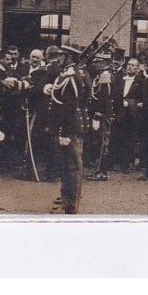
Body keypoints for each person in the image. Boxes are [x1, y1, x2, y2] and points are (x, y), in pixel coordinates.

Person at [45, 46, 90, 214]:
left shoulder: (71, 77)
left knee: (72, 167)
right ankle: (67, 202)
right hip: (67, 126)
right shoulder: (67, 74)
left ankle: (71, 206)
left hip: (69, 128)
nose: (58, 58)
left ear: (68, 57)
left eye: (61, 56)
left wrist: (64, 131)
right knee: (66, 166)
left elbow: (71, 107)